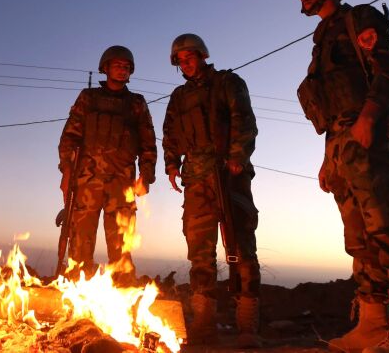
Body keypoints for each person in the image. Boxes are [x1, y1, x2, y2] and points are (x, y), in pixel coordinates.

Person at [292, 0, 389, 353]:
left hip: (362, 128)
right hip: (339, 140)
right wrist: (327, 158)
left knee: (385, 223)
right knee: (358, 235)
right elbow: (328, 103)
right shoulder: (321, 39)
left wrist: (370, 118)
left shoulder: (359, 18)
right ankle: (372, 323)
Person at [162, 34, 261, 347]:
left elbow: (244, 121)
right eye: (181, 59)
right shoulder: (178, 96)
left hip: (229, 175)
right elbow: (170, 135)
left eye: (191, 56)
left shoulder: (228, 82)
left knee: (241, 248)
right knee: (200, 254)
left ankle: (247, 327)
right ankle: (205, 326)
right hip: (196, 180)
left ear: (202, 55)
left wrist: (236, 156)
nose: (186, 62)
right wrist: (172, 165)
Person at [57, 45, 156, 286]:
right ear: (106, 68)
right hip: (86, 180)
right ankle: (77, 296)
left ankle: (123, 298)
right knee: (80, 243)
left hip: (122, 183)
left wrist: (146, 175)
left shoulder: (136, 103)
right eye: (117, 65)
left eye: (126, 67)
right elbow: (69, 136)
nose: (122, 70)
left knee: (121, 246)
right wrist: (66, 172)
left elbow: (148, 142)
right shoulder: (88, 98)